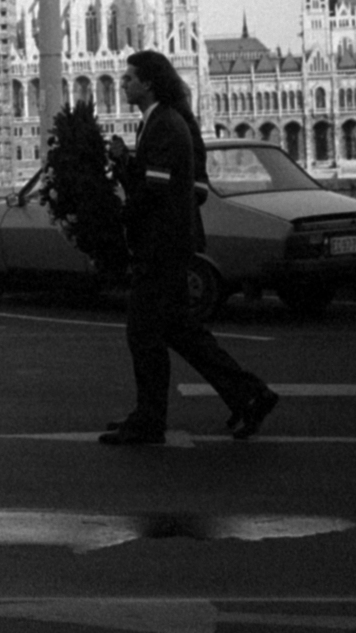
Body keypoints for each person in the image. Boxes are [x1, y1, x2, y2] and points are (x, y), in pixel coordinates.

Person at [100, 49, 278, 445]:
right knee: (181, 331)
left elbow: (154, 188)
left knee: (143, 334)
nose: (124, 83)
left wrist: (120, 216)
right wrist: (125, 161)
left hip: (160, 246)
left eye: (129, 77)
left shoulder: (162, 124)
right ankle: (250, 395)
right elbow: (166, 183)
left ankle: (149, 421)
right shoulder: (163, 120)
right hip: (171, 241)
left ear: (148, 82)